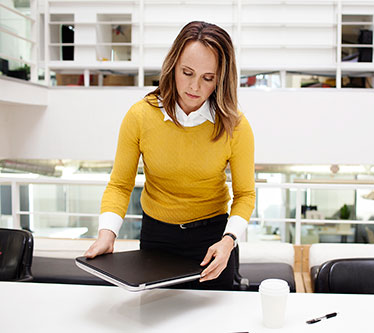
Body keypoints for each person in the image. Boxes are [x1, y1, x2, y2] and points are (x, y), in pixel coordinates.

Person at [84, 21, 255, 291]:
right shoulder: (140, 116)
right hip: (157, 238)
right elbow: (119, 184)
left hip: (213, 241)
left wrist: (229, 240)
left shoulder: (235, 126)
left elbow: (245, 195)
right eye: (187, 72)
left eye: (208, 78)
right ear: (173, 65)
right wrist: (107, 233)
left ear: (221, 79)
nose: (195, 87)